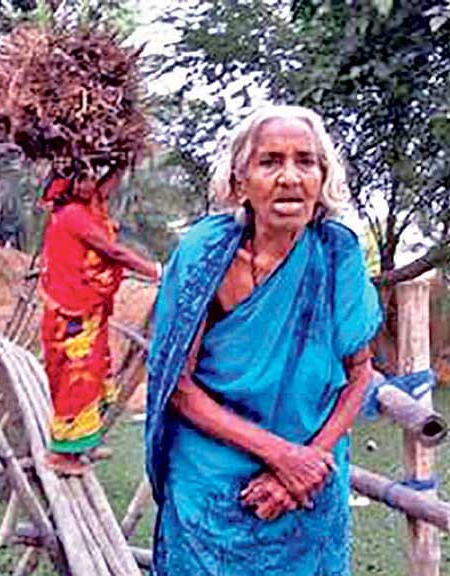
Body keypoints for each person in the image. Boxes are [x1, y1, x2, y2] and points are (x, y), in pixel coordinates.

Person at [145, 105, 382, 575]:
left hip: (310, 480)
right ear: (240, 182)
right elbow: (179, 387)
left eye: (305, 161)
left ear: (323, 177)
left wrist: (303, 467)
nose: (290, 177)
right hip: (213, 482)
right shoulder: (204, 256)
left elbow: (360, 375)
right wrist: (281, 456)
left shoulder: (337, 254)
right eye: (270, 161)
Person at [39, 170, 160, 476]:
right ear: (66, 183)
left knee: (89, 375)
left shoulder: (86, 206)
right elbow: (112, 251)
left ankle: (79, 447)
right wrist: (156, 272)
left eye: (92, 178)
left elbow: (104, 189)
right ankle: (61, 455)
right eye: (80, 179)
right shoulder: (72, 216)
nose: (88, 185)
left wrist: (121, 161)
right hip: (71, 314)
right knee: (75, 379)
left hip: (86, 309)